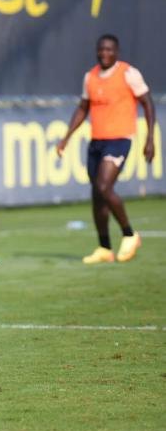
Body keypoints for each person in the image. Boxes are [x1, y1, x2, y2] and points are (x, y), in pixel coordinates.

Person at [57, 34, 155, 264]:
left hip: (119, 139)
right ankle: (104, 248)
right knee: (97, 196)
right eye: (101, 49)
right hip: (96, 141)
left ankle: (130, 234)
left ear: (117, 52)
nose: (105, 53)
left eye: (109, 49)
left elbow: (148, 102)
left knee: (104, 186)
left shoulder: (129, 73)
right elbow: (82, 109)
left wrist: (150, 138)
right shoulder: (90, 77)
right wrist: (66, 137)